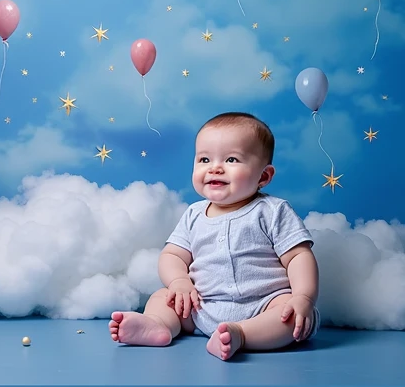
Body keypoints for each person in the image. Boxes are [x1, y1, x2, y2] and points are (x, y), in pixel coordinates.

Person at [109, 112, 320, 361]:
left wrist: (303, 297)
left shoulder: (273, 211)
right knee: (163, 297)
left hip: (264, 305)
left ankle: (240, 334)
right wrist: (179, 281)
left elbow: (298, 257)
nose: (215, 168)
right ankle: (158, 325)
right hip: (201, 305)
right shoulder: (193, 214)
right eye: (204, 159)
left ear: (263, 176)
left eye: (231, 159)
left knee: (293, 318)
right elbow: (173, 254)